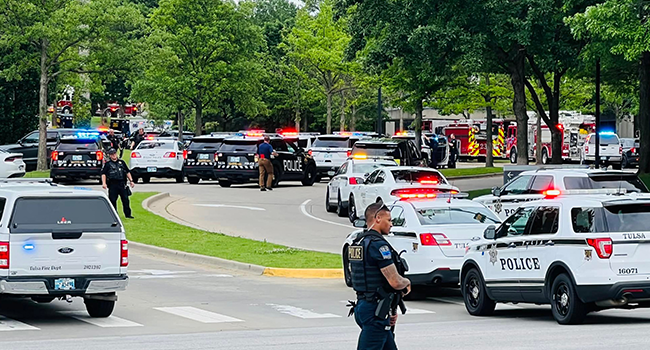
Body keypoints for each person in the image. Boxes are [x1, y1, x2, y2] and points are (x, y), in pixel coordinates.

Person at [348, 202, 411, 350]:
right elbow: (395, 281)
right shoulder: (378, 245)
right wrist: (407, 282)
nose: (391, 224)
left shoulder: (358, 242)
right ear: (377, 218)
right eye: (388, 220)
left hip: (365, 306)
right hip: (375, 313)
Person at [102, 148, 135, 218]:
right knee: (113, 200)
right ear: (110, 156)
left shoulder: (122, 163)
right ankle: (114, 215)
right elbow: (103, 174)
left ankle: (128, 214)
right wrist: (104, 183)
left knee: (125, 200)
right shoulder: (108, 164)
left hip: (122, 184)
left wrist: (131, 181)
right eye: (112, 154)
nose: (113, 155)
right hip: (112, 184)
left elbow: (127, 172)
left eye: (114, 153)